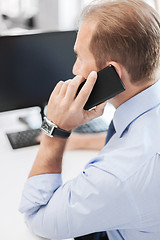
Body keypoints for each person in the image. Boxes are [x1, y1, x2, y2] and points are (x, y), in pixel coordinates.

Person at [19, 0, 160, 239]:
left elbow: (36, 216)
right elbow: (134, 142)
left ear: (111, 74)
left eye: (80, 58)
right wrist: (80, 141)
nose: (75, 69)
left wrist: (56, 128)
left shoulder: (120, 175)